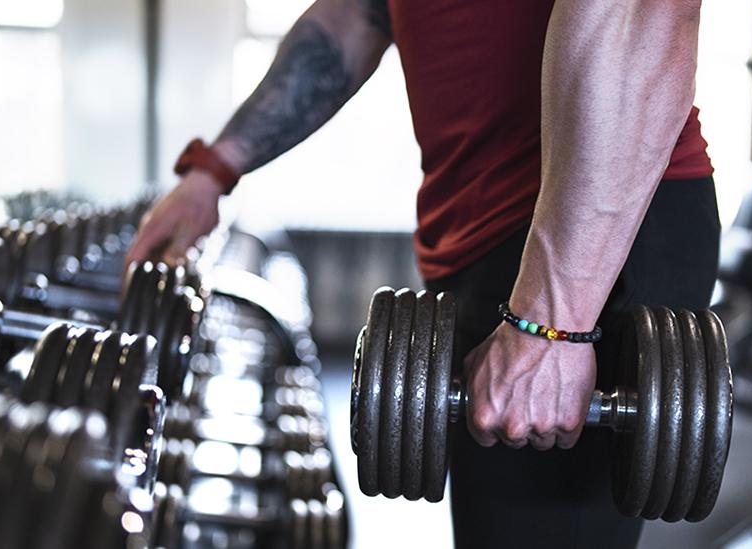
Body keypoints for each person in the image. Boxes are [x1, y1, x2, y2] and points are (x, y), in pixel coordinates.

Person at [127, 1, 719, 547]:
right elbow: (353, 19)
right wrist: (215, 169)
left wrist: (553, 323)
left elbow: (637, 11)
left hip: (591, 225)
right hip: (484, 241)